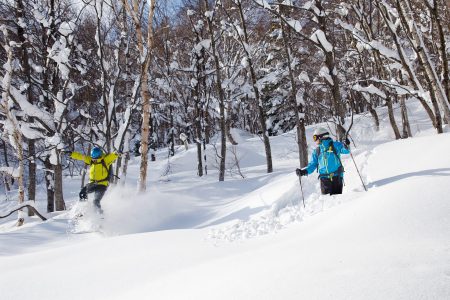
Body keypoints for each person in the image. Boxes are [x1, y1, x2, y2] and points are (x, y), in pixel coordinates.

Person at [296, 127, 350, 195]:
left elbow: (346, 151)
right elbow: (312, 164)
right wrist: (304, 171)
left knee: (337, 201)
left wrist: (346, 145)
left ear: (321, 137)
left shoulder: (335, 145)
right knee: (327, 202)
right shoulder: (317, 151)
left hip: (337, 177)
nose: (314, 140)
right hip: (324, 179)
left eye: (315, 138)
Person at [70, 147, 119, 212]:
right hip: (92, 183)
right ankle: (82, 211)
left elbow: (112, 156)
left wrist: (117, 153)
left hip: (102, 184)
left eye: (96, 157)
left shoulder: (105, 160)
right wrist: (71, 154)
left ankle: (100, 215)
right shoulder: (91, 161)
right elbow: (81, 156)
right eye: (93, 157)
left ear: (100, 155)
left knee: (96, 201)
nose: (94, 159)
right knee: (82, 193)